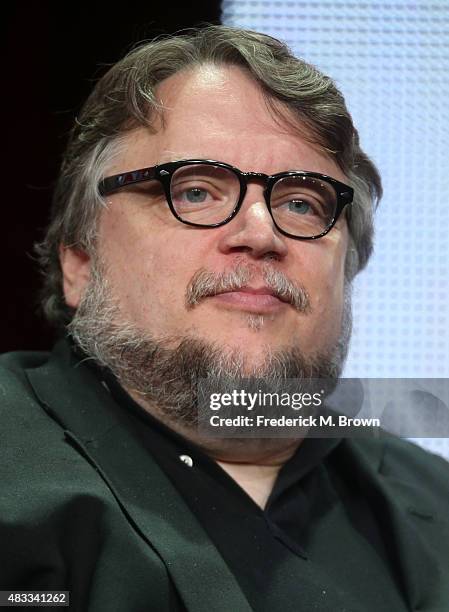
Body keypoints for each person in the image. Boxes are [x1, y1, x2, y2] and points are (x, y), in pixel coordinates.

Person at [1, 25, 448, 612]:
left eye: (300, 203)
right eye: (194, 192)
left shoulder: (432, 507)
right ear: (81, 262)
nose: (260, 234)